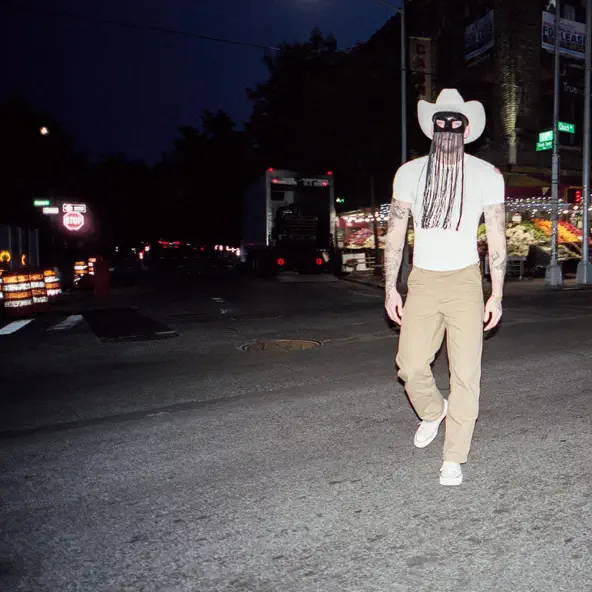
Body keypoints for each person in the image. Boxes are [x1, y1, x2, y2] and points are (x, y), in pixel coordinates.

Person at [384, 89, 507, 486]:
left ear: (467, 129)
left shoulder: (488, 175)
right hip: (422, 280)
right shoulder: (409, 173)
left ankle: (454, 457)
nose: (449, 129)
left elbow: (498, 237)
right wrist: (390, 288)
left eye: (456, 123)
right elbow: (395, 233)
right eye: (442, 123)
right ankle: (434, 411)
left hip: (465, 281)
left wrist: (497, 293)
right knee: (410, 365)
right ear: (431, 128)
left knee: (466, 374)